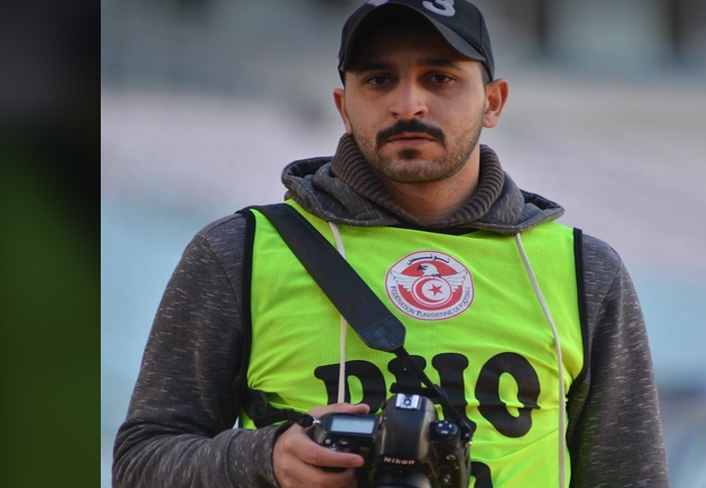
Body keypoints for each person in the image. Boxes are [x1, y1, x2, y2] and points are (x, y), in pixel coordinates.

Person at [112, 1, 670, 487]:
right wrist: (267, 459)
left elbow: (630, 475)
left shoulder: (583, 268)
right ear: (343, 105)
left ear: (493, 101)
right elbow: (139, 464)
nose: (409, 105)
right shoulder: (239, 250)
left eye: (440, 78)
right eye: (379, 80)